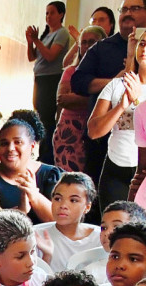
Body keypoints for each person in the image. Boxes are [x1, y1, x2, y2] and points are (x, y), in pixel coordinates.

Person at [70, 2, 146, 195]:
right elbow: (78, 81)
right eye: (124, 9)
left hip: (139, 160)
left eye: (135, 8)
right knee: (103, 213)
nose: (128, 13)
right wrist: (114, 82)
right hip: (105, 149)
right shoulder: (102, 48)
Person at [89, 31, 146, 210]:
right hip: (115, 167)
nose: (145, 48)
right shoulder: (117, 85)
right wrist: (122, 104)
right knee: (113, 228)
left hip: (143, 172)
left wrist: (137, 101)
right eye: (143, 43)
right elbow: (93, 131)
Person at [0, 111, 62, 224]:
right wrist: (20, 212)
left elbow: (61, 222)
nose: (10, 148)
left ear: (32, 146)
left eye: (18, 142)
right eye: (4, 143)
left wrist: (34, 195)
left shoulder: (52, 175)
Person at [26, 1, 73, 165]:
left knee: (47, 117)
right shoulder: (47, 34)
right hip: (40, 78)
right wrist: (30, 41)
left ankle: (47, 155)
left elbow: (51, 56)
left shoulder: (62, 33)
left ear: (61, 14)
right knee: (39, 113)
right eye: (46, 13)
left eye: (52, 12)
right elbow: (32, 57)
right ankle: (43, 151)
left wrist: (36, 40)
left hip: (51, 78)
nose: (48, 16)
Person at [56, 26, 108, 173]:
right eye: (83, 42)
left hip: (97, 131)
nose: (86, 46)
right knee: (70, 179)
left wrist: (82, 95)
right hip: (69, 130)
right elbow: (63, 99)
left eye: (92, 42)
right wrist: (98, 98)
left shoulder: (107, 72)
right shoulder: (71, 71)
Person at [36, 172, 102, 272]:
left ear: (87, 207)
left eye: (73, 200)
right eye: (58, 199)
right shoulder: (36, 235)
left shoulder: (101, 238)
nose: (63, 205)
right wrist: (47, 256)